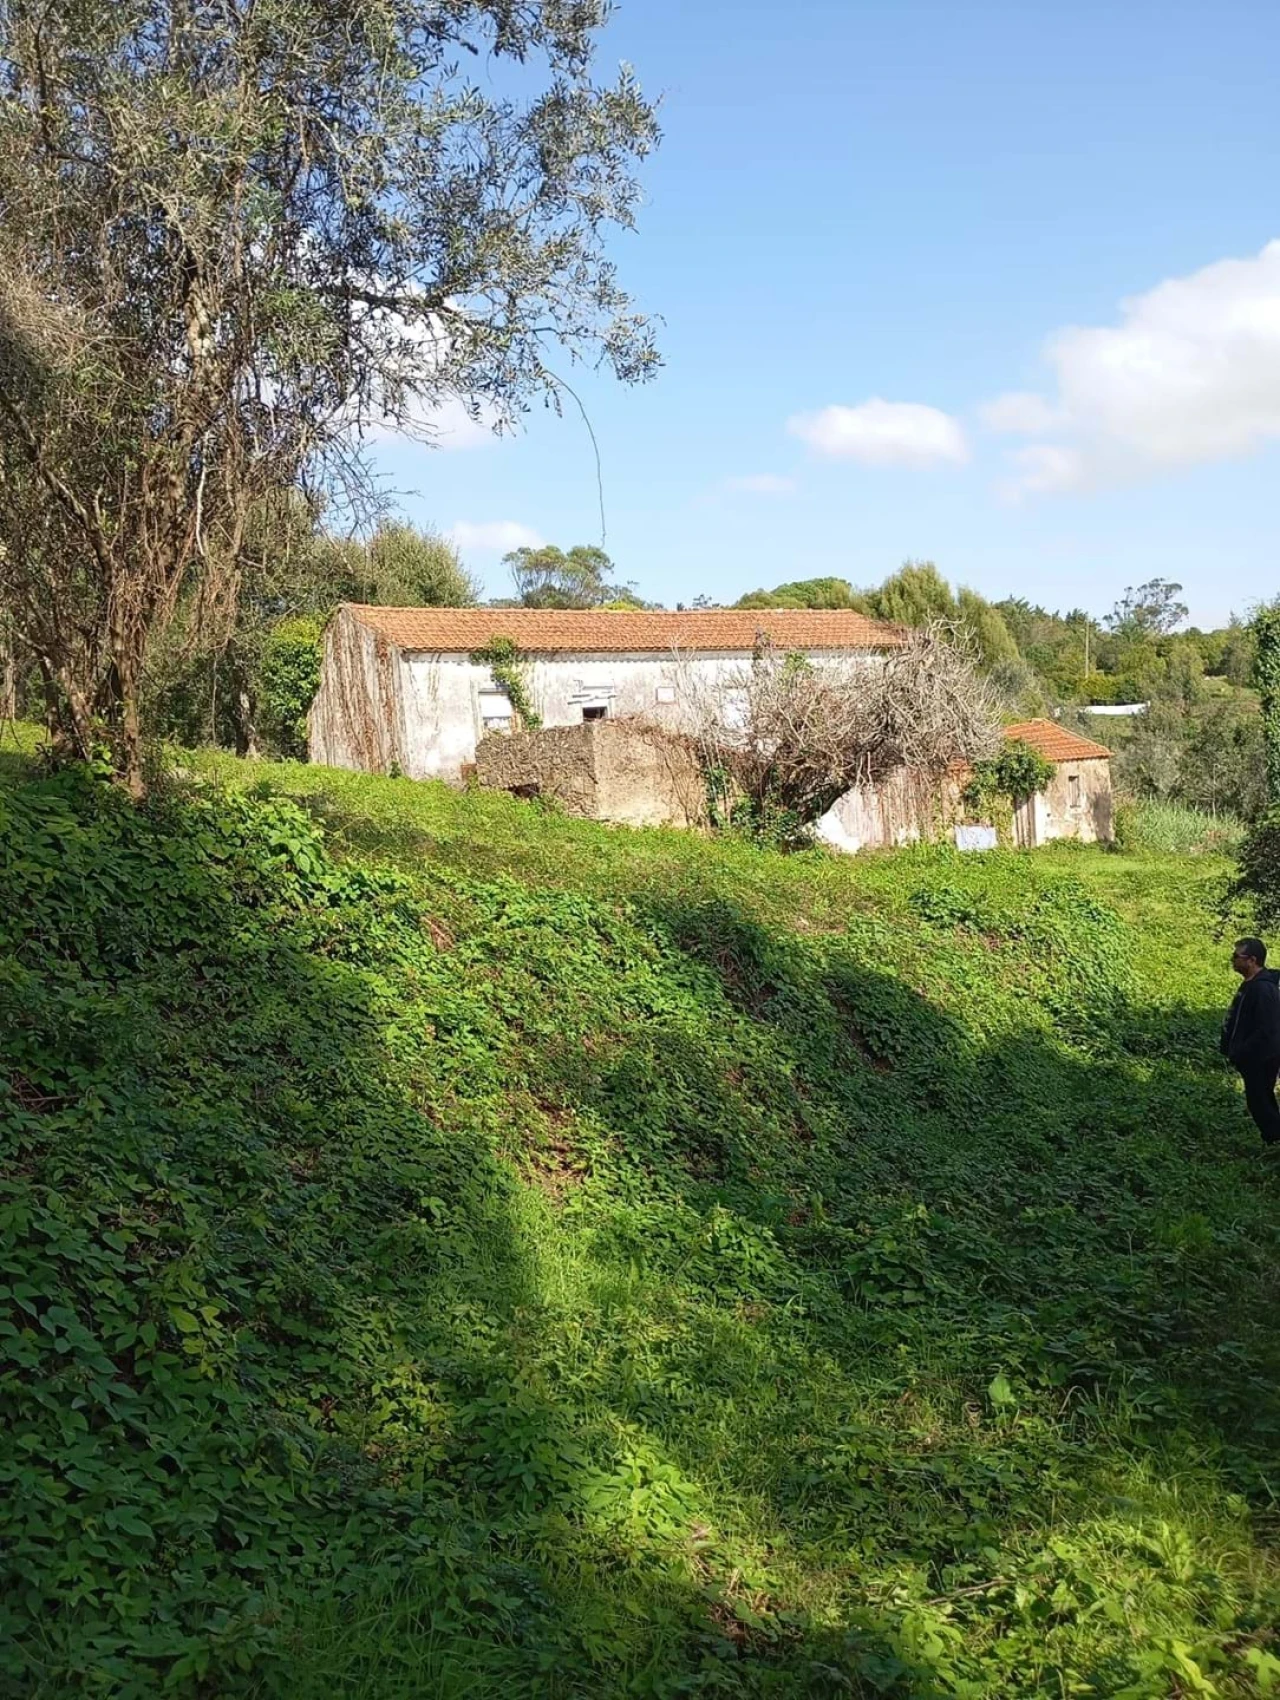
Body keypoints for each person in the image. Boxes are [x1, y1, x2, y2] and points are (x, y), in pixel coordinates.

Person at [1220, 937, 1280, 1145]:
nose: (1232, 960)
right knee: (1259, 1101)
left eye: (1237, 956)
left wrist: (1243, 1051)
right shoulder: (1251, 984)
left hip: (1261, 1058)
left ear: (1252, 960)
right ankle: (1272, 1140)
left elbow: (1267, 1029)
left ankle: (1274, 1141)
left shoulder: (1263, 989)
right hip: (1252, 1057)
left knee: (1260, 1102)